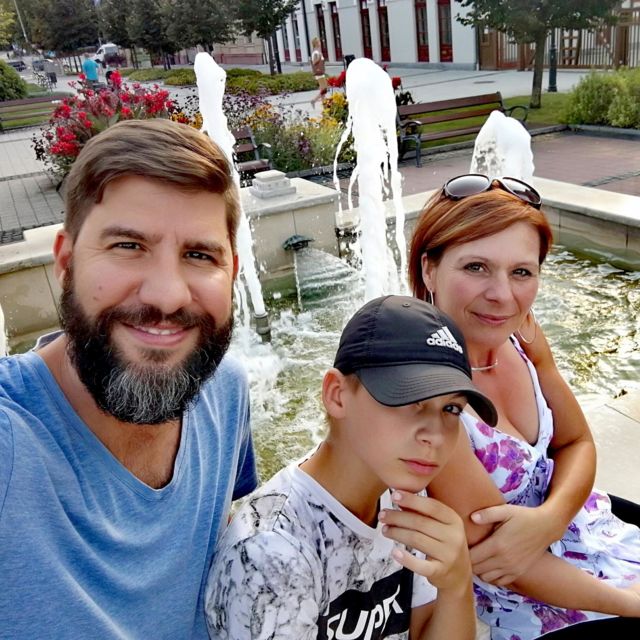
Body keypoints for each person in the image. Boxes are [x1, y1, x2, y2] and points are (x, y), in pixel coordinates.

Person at [0, 119, 257, 639]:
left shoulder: (223, 390)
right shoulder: (12, 441)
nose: (167, 295)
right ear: (66, 262)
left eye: (199, 255)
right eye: (127, 245)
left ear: (231, 273)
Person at [407, 174, 640, 639]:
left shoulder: (523, 335)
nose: (503, 295)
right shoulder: (428, 397)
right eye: (476, 267)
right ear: (429, 270)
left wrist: (550, 519)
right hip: (541, 602)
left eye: (521, 272)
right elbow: (501, 560)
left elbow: (576, 441)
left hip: (591, 529)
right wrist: (631, 603)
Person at [206, 294, 499, 639]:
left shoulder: (401, 496)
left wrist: (457, 583)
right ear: (337, 394)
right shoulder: (270, 555)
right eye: (409, 399)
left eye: (451, 409)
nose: (435, 435)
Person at [310, 37, 328, 108]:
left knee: (323, 90)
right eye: (319, 42)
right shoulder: (316, 52)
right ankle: (314, 100)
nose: (320, 43)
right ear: (316, 43)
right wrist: (319, 57)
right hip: (319, 73)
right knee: (324, 89)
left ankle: (324, 106)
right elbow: (314, 62)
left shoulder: (317, 51)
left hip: (320, 73)